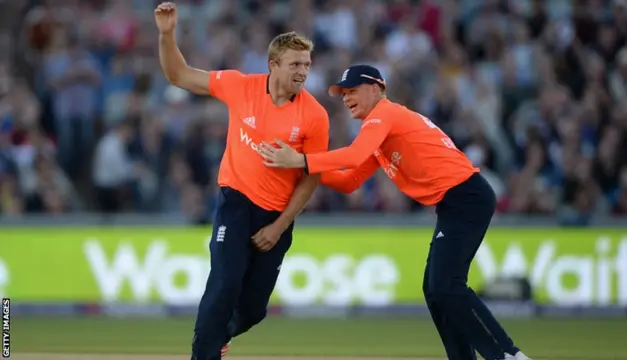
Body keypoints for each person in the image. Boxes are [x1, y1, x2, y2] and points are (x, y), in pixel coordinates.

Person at [258, 65, 532, 360]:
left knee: (446, 286)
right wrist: (300, 169)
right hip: (457, 202)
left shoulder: (384, 115)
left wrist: (301, 159)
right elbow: (350, 181)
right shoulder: (381, 130)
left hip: (466, 197)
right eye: (343, 93)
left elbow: (352, 157)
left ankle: (507, 354)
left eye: (352, 91)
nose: (346, 98)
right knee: (436, 289)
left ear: (376, 88)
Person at [154, 3, 330, 360]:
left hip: (275, 217)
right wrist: (166, 34)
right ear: (273, 65)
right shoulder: (240, 86)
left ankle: (218, 335)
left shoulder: (314, 116)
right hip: (236, 203)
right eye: (295, 64)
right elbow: (179, 75)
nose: (303, 71)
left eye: (307, 64)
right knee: (224, 284)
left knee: (253, 310)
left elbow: (312, 179)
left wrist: (279, 227)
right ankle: (204, 353)